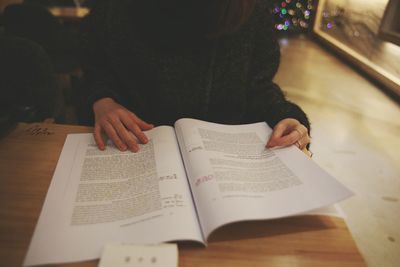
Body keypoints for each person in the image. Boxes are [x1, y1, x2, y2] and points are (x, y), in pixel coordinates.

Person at [80, 0, 311, 155]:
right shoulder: (114, 10)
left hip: (223, 162)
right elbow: (96, 69)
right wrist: (103, 100)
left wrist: (287, 118)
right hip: (132, 149)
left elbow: (257, 89)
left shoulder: (250, 13)